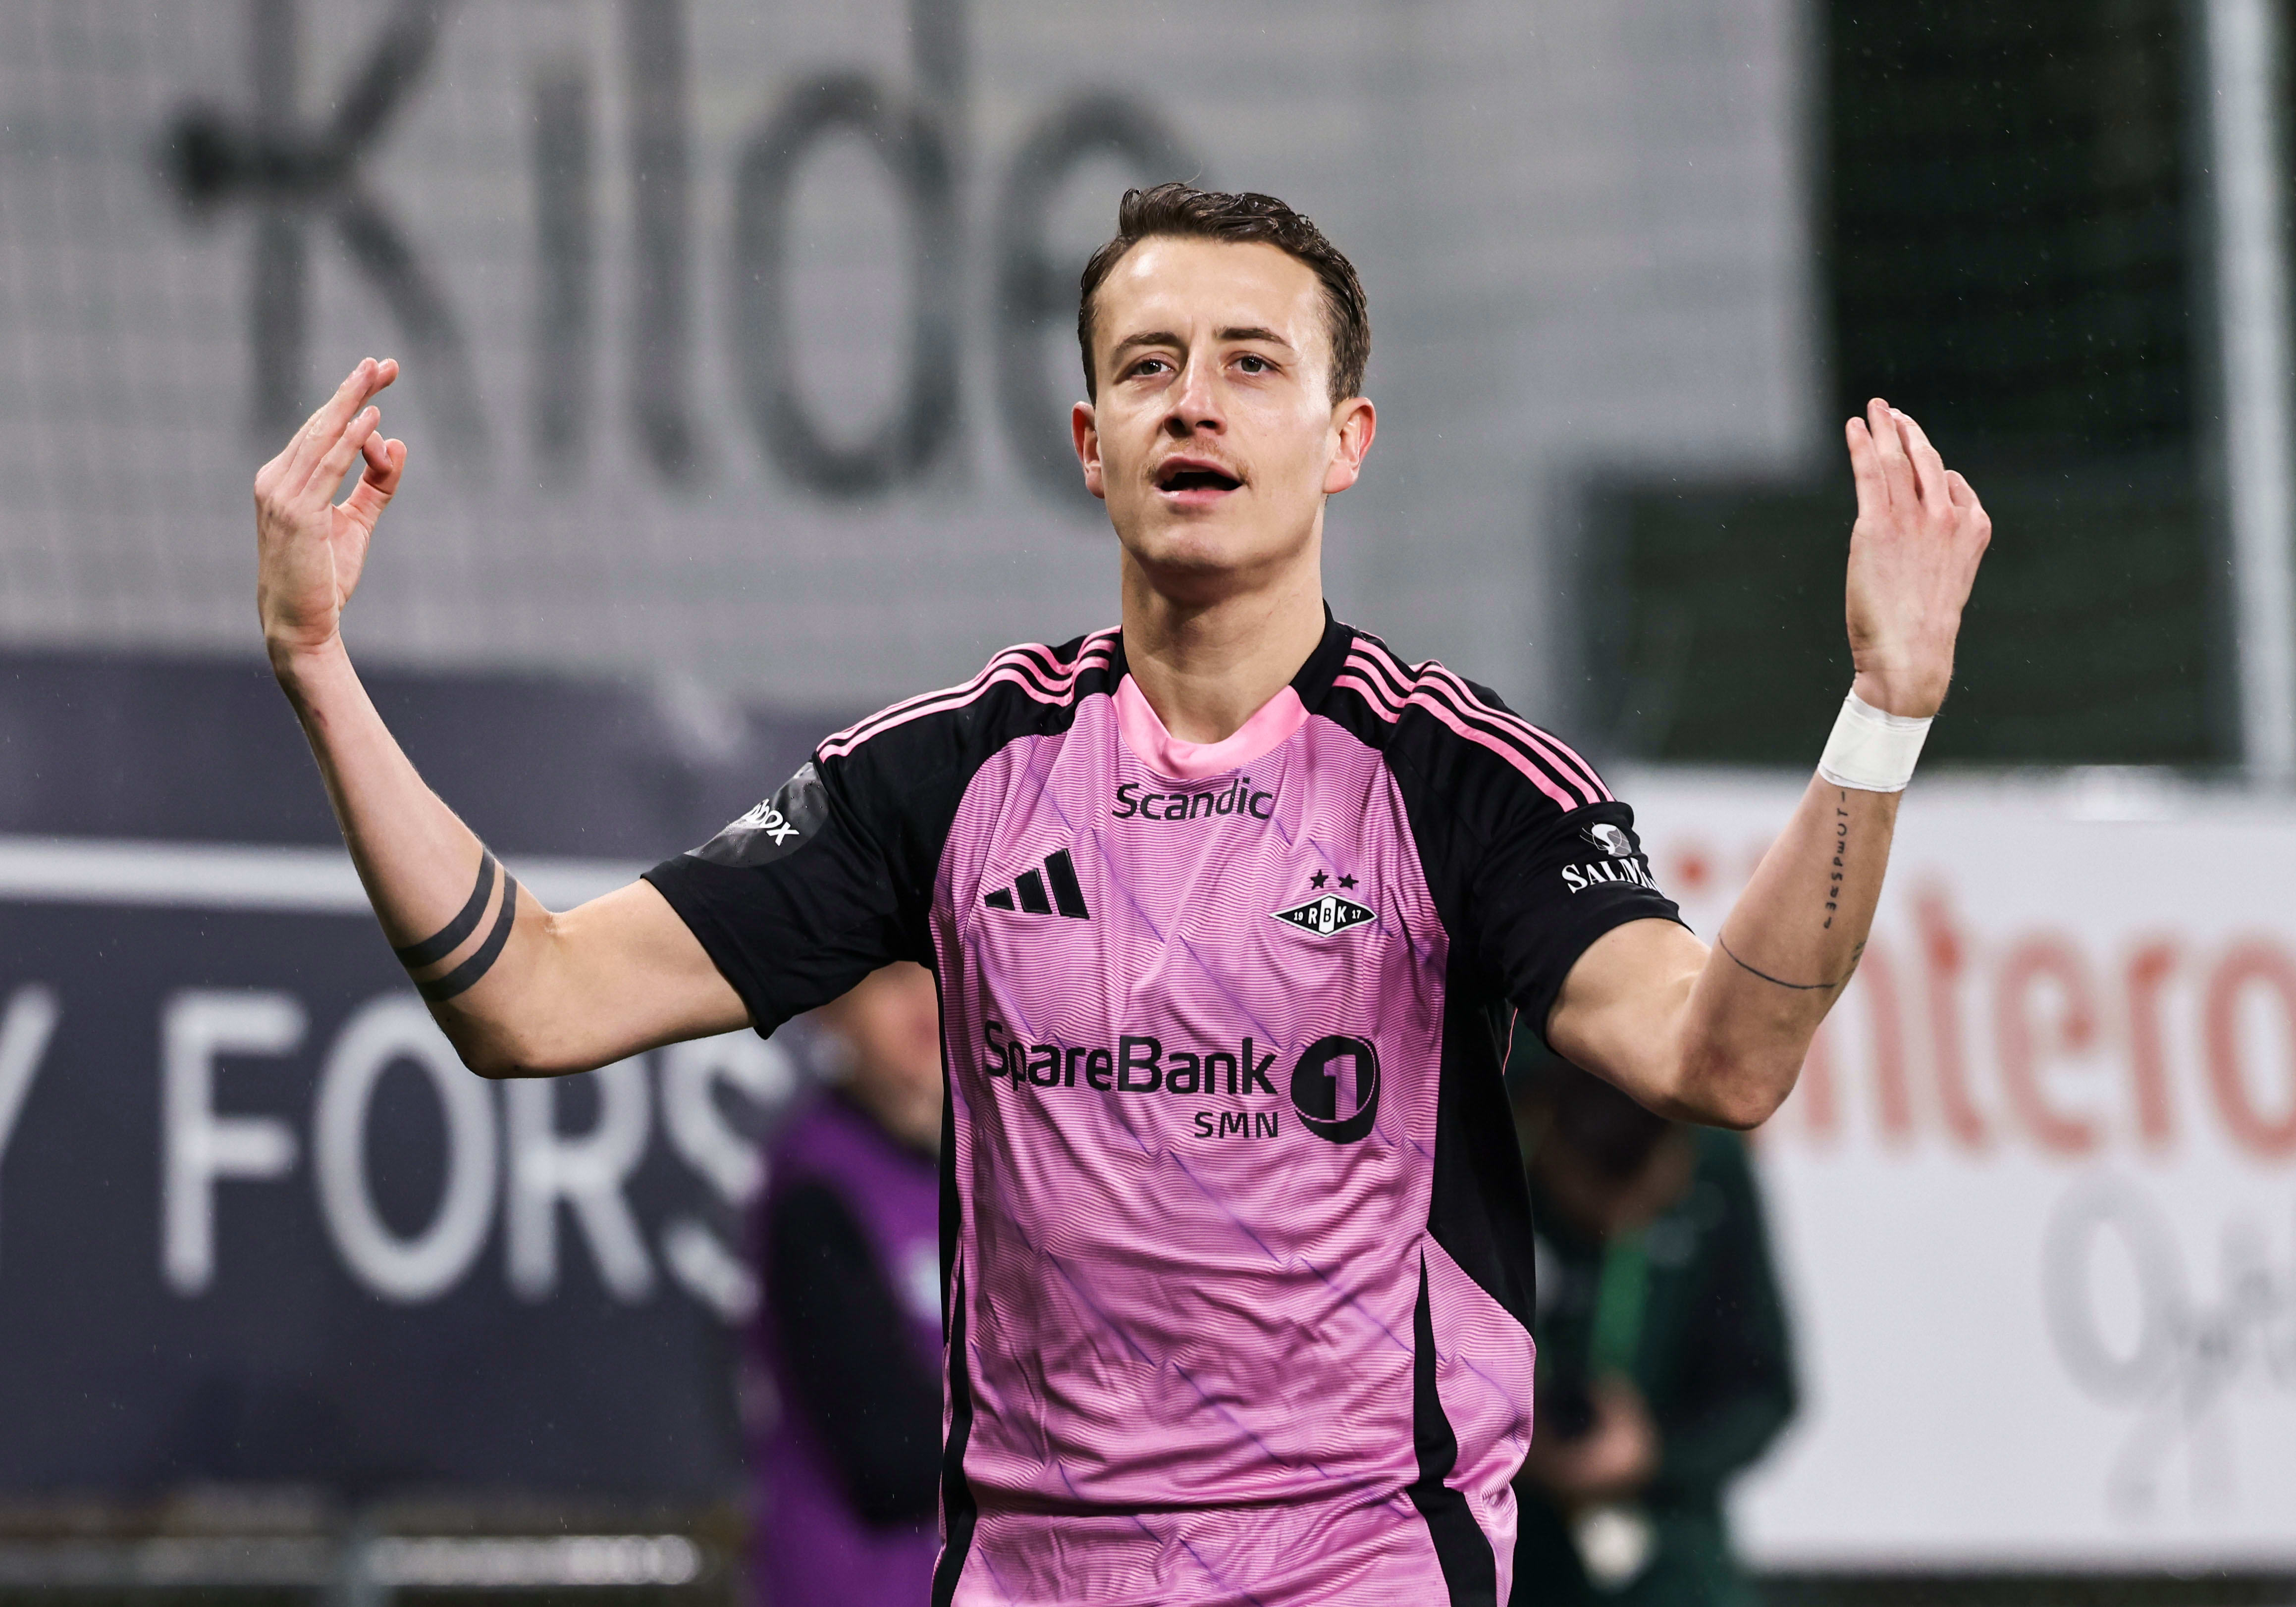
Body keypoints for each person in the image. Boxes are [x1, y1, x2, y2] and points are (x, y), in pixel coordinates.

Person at [250, 183, 1990, 1604]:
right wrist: (321, 665)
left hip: (1356, 1568)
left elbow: (1720, 1055)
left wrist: (1882, 711)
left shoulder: (1458, 780)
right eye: (1147, 366)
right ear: (1092, 443)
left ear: (1344, 439)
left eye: (1249, 364)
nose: (1192, 401)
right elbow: (532, 997)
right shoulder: (950, 775)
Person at [1510, 1049, 1796, 1607]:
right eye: (1593, 1192)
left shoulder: (1711, 1168)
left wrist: (1653, 1454)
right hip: (1494, 1533)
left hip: (1661, 1540)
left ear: (1678, 1152)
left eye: (1639, 1198)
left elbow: (1763, 1390)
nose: (1614, 1217)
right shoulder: (1471, 1141)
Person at [750, 961, 947, 1607]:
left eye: (940, 964)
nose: (923, 995)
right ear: (830, 1006)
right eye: (889, 974)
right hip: (865, 1583)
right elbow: (889, 1457)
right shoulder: (818, 1187)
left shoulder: (1022, 1167)